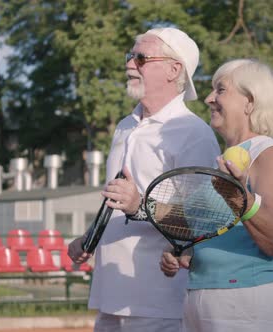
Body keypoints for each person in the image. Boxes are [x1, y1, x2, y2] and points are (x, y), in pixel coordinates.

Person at [67, 28, 220, 332]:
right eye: (130, 56)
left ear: (173, 69)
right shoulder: (125, 126)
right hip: (111, 294)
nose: (129, 65)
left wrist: (140, 204)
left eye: (140, 58)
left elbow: (203, 220)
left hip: (161, 299)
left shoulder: (194, 132)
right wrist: (90, 237)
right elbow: (117, 199)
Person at [160, 59, 273, 332]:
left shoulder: (269, 154)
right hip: (203, 296)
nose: (209, 99)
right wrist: (183, 252)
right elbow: (193, 227)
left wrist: (238, 198)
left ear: (250, 102)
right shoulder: (222, 162)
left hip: (247, 301)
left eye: (220, 90)